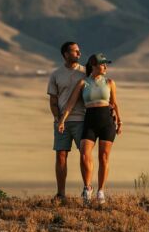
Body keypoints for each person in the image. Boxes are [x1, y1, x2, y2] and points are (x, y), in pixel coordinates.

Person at [57, 53, 122, 205]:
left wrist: (119, 121)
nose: (106, 67)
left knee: (103, 157)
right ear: (93, 65)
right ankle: (87, 188)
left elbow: (115, 104)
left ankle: (101, 191)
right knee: (84, 154)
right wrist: (62, 121)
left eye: (106, 64)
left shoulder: (110, 82)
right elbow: (71, 104)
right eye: (103, 64)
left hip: (106, 122)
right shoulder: (83, 83)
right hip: (90, 121)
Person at [47, 41, 86, 201]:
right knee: (61, 155)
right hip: (62, 121)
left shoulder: (85, 72)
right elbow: (53, 100)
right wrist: (57, 119)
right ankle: (61, 193)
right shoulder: (56, 75)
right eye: (75, 51)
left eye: (79, 50)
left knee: (85, 155)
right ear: (65, 54)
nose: (79, 54)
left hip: (82, 119)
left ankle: (87, 191)